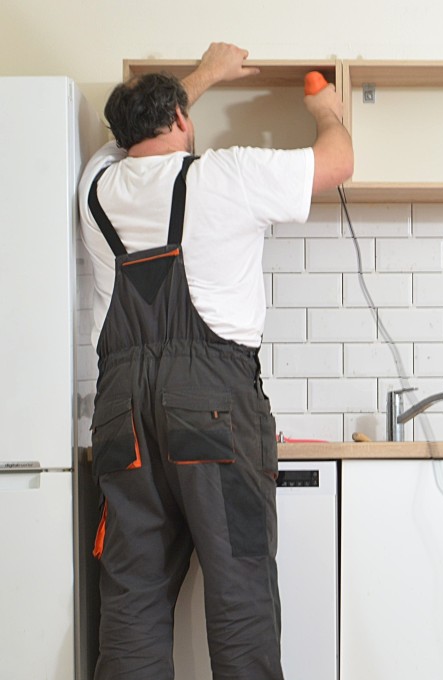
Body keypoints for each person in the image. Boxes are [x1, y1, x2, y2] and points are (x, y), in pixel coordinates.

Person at [78, 42, 353, 680]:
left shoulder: (95, 188)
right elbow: (337, 164)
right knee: (240, 590)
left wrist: (197, 77)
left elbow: (132, 138)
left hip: (123, 416)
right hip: (213, 407)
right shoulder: (223, 174)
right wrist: (327, 108)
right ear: (181, 119)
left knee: (132, 595)